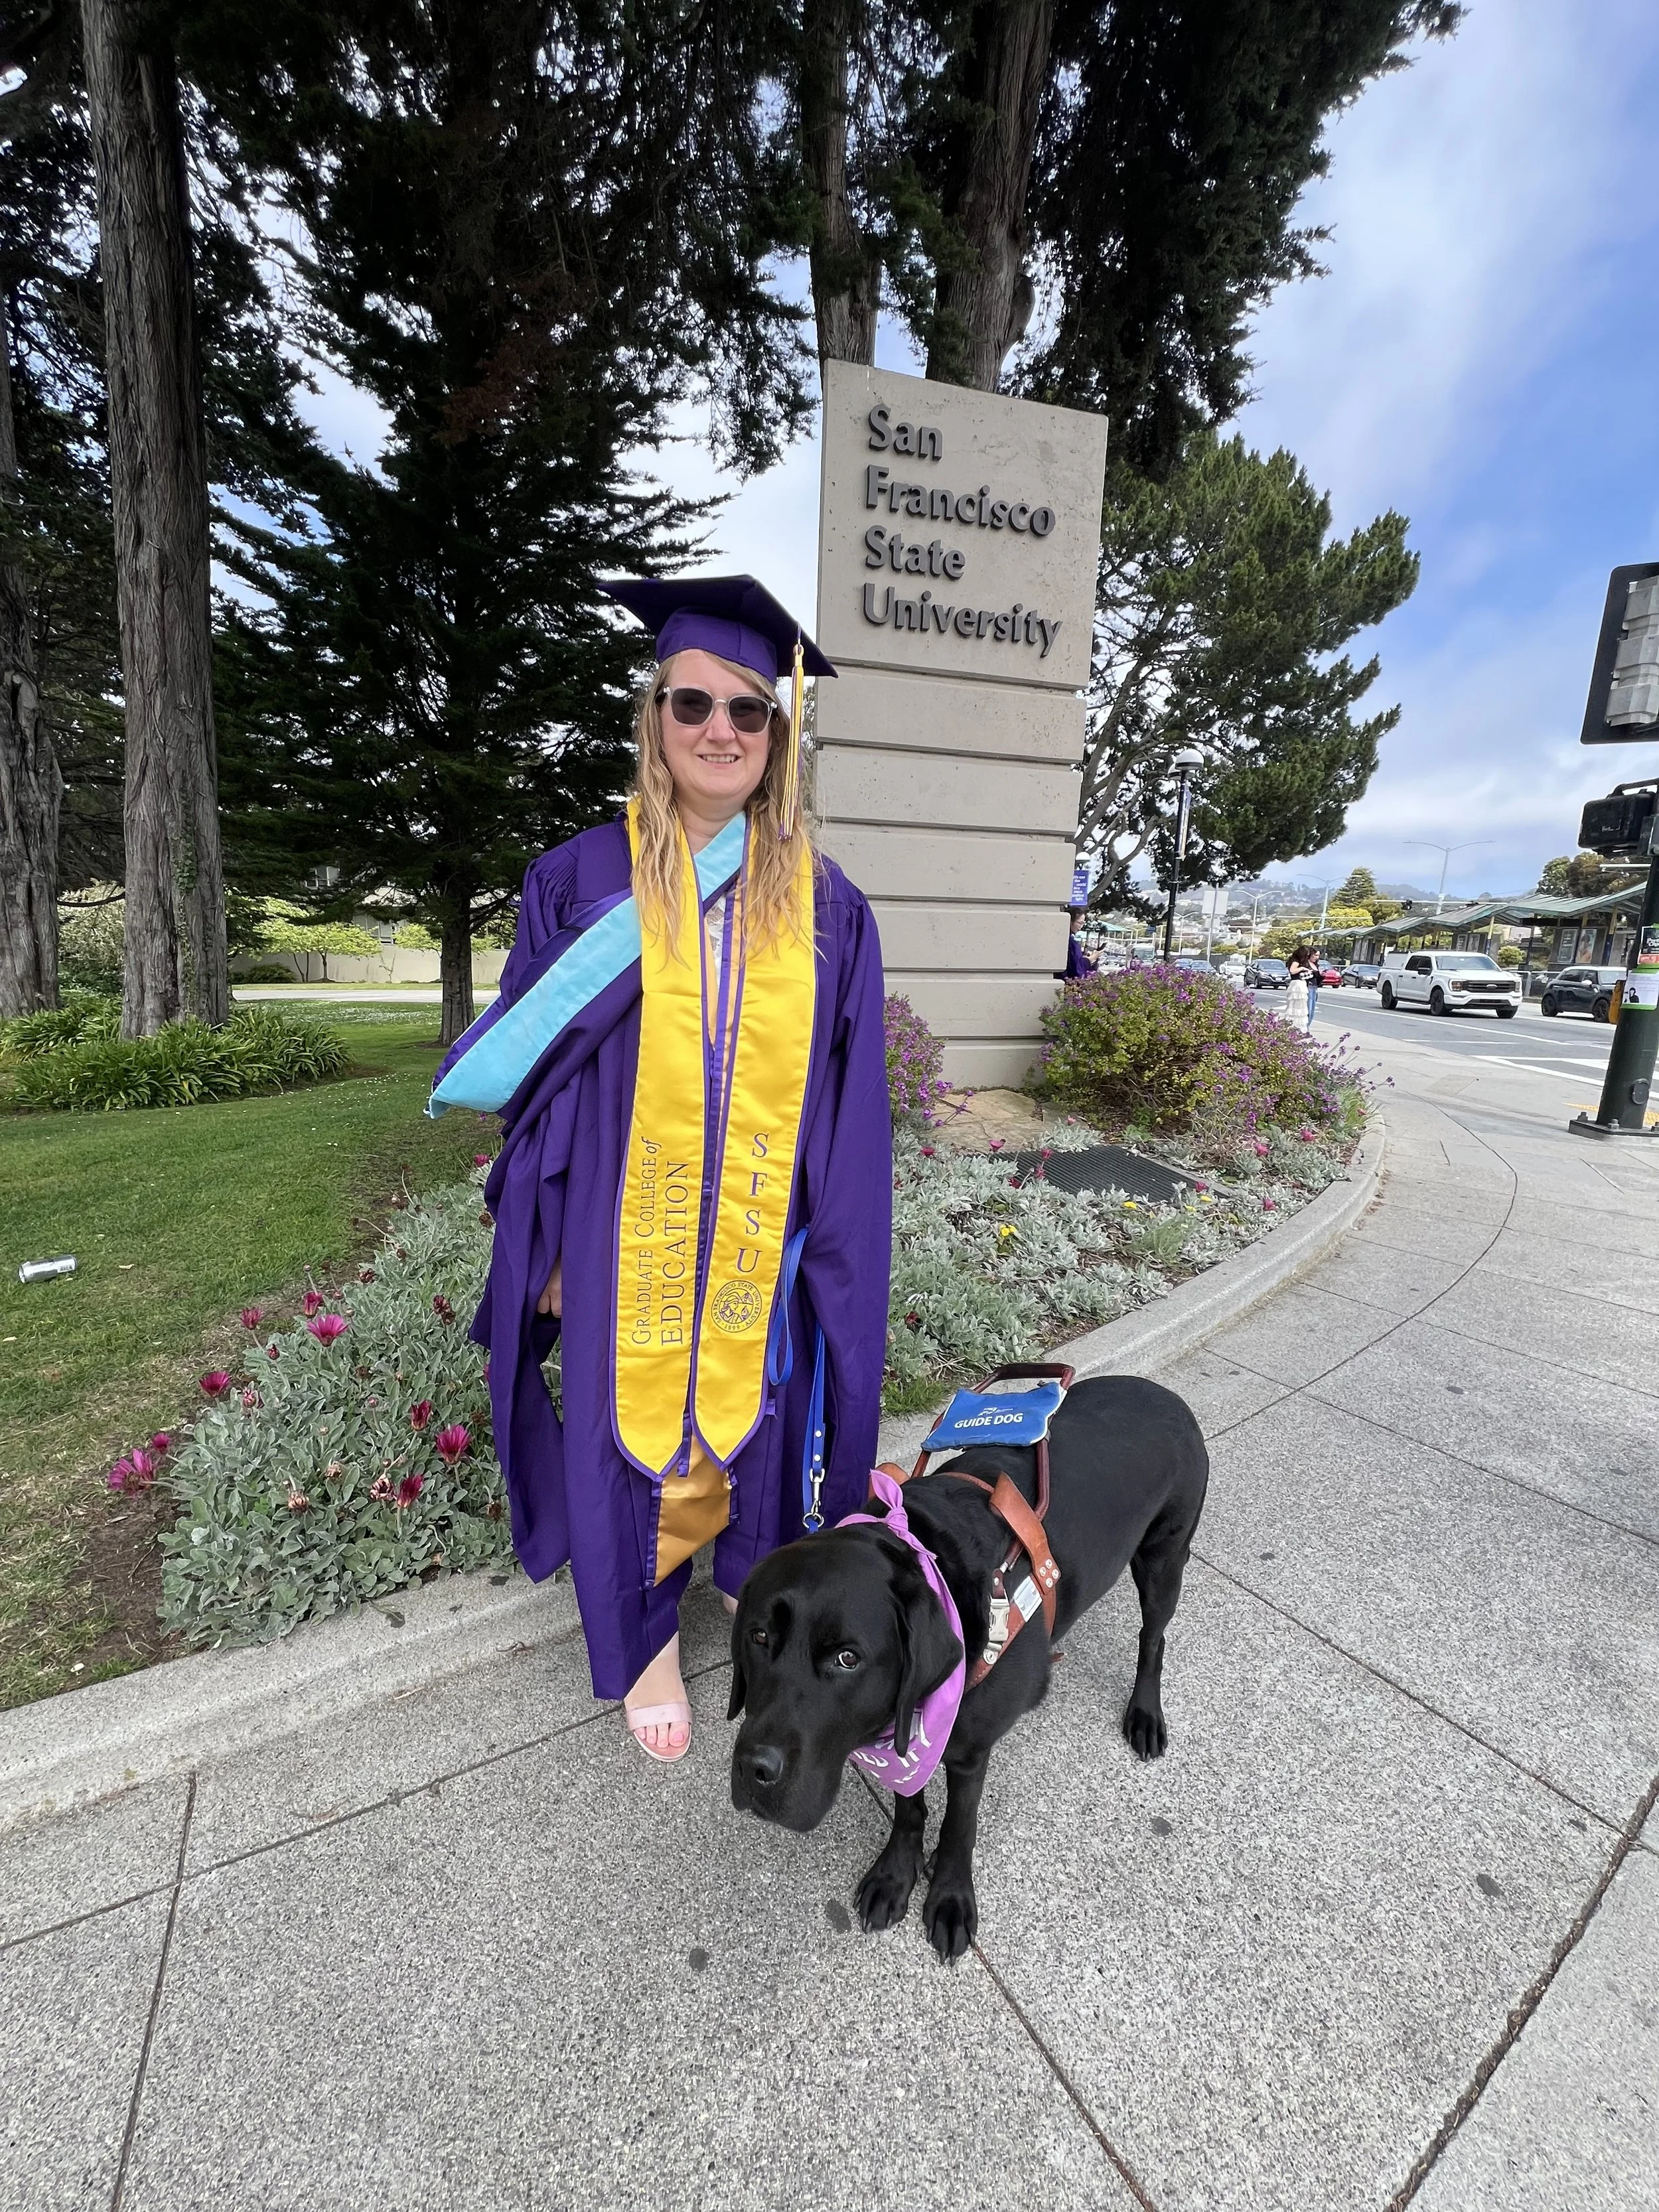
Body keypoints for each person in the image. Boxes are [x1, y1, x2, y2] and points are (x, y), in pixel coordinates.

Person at [429, 575, 892, 1764]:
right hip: (614, 1225)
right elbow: (535, 1084)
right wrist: (537, 1251)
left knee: (759, 1417)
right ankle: (639, 1638)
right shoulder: (584, 879)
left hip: (751, 1225)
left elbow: (848, 1105)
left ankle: (745, 1575)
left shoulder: (826, 903)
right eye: (694, 704)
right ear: (656, 718)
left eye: (749, 710)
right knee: (625, 1423)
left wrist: (832, 1255)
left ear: (779, 735)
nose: (721, 730)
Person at [1285, 943, 1319, 1030]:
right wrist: (1302, 968)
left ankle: (1299, 1027)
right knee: (1298, 1006)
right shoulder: (1296, 961)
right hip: (1297, 984)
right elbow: (1292, 971)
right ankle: (1296, 1026)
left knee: (1301, 1007)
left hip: (1301, 984)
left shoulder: (1297, 961)